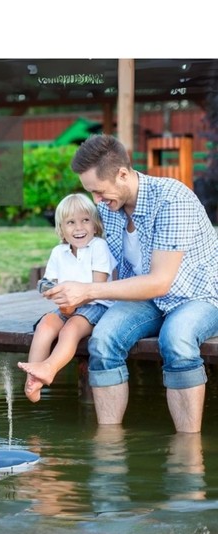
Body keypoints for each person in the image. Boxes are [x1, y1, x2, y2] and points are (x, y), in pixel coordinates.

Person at [43, 134, 218, 433]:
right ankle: (110, 448)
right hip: (145, 298)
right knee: (103, 340)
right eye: (91, 193)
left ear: (122, 174)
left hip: (197, 295)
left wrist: (88, 291)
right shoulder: (110, 209)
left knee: (176, 340)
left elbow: (160, 282)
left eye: (99, 191)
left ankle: (188, 449)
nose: (96, 201)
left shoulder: (171, 199)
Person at [17, 193, 116, 402]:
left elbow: (97, 287)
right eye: (71, 222)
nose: (79, 228)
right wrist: (51, 290)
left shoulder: (99, 246)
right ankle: (33, 379)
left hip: (95, 305)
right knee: (45, 325)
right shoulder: (58, 252)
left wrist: (73, 302)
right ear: (61, 229)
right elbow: (45, 282)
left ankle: (49, 369)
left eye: (85, 220)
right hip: (66, 305)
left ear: (96, 225)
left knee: (70, 330)